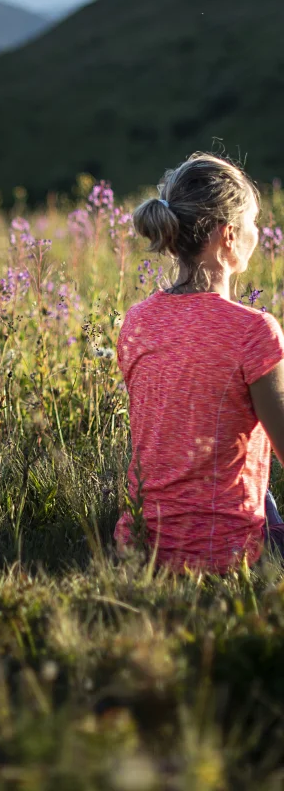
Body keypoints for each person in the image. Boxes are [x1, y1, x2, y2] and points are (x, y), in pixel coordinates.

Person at [115, 151, 284, 572]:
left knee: (261, 491)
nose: (257, 234)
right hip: (227, 553)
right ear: (229, 234)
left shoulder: (136, 321)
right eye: (253, 224)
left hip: (139, 548)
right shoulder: (253, 331)